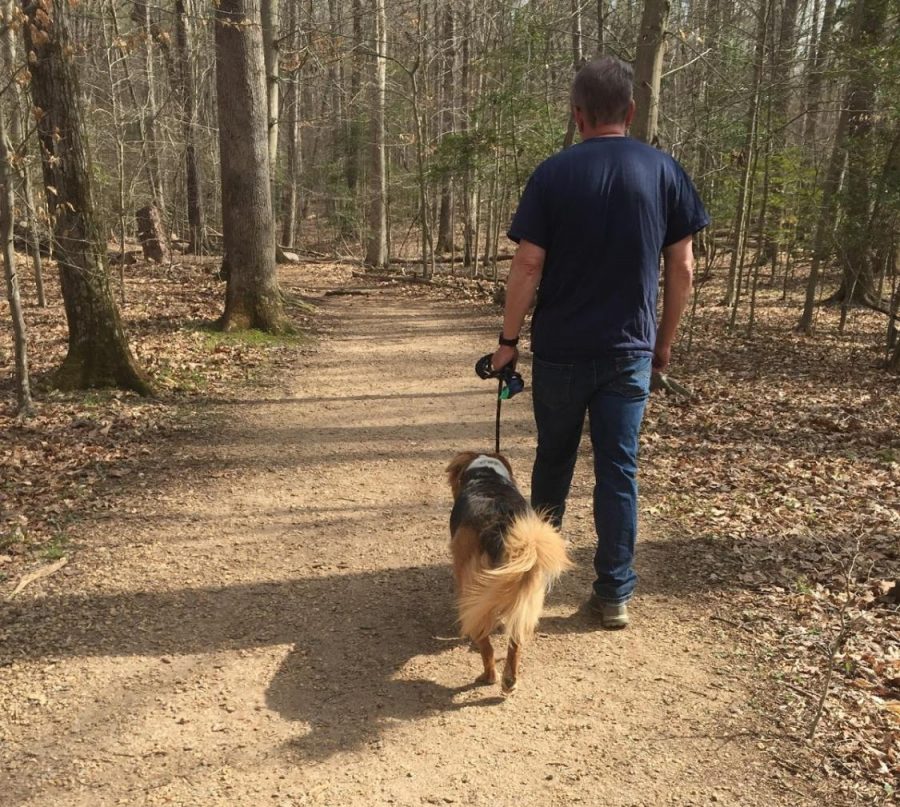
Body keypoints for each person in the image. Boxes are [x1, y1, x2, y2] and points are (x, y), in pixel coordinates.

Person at [489, 56, 709, 629]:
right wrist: (663, 343)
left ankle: (532, 579)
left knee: (553, 464)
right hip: (630, 352)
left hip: (561, 348)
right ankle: (614, 594)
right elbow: (681, 267)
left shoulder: (553, 174)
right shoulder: (664, 171)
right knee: (619, 471)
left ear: (577, 114)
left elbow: (528, 263)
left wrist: (507, 341)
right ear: (631, 112)